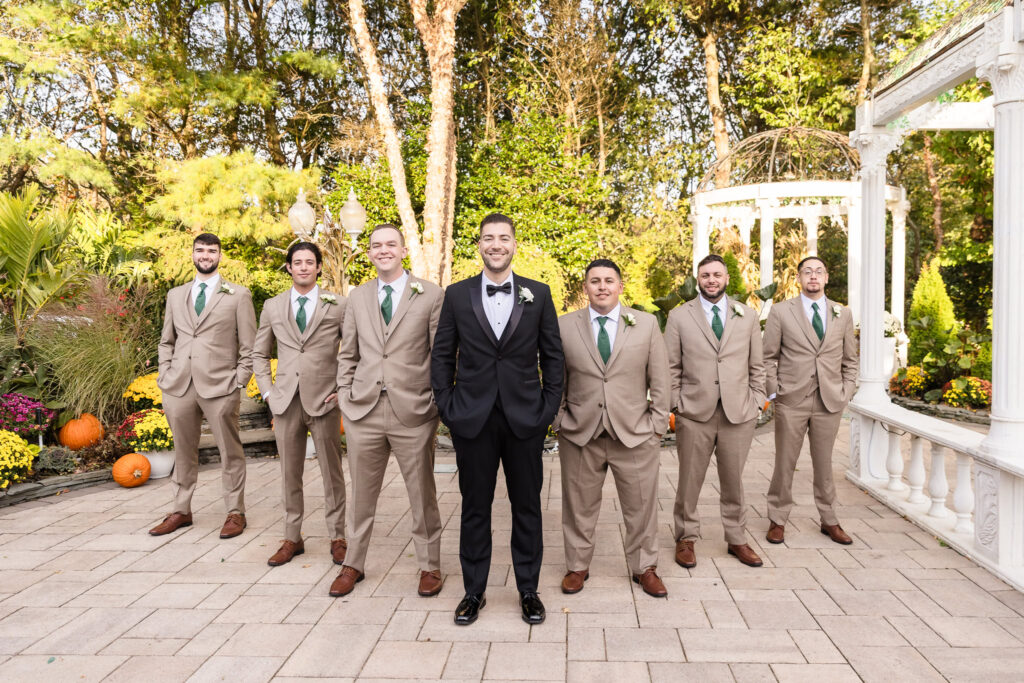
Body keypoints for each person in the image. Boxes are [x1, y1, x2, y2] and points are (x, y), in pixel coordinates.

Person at [430, 213, 563, 626]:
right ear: (479, 245)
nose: (496, 244)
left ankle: (528, 590)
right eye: (489, 238)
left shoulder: (537, 294)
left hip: (526, 418)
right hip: (473, 418)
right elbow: (441, 355)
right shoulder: (456, 295)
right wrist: (448, 406)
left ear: (514, 245)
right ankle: (474, 591)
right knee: (475, 507)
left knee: (527, 507)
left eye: (504, 238)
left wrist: (547, 409)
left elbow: (553, 356)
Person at [330, 224, 446, 598]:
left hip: (413, 410)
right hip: (364, 411)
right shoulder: (358, 297)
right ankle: (354, 563)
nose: (383, 250)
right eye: (376, 245)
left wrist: (434, 400)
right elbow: (348, 352)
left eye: (390, 245)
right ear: (369, 253)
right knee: (361, 494)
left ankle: (429, 565)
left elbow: (440, 355)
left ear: (402, 251)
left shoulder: (430, 295)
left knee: (421, 495)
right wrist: (346, 396)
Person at [553, 259, 670, 598]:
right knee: (577, 506)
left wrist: (656, 426)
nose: (601, 286)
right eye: (594, 281)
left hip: (634, 434)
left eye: (608, 280)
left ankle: (644, 567)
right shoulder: (564, 326)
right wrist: (559, 420)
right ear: (585, 288)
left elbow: (660, 379)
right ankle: (577, 566)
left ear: (621, 286)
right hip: (580, 433)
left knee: (642, 506)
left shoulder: (646, 325)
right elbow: (554, 379)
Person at [150, 233, 257, 539]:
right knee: (183, 450)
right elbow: (166, 341)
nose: (206, 255)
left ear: (219, 255)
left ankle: (235, 512)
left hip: (221, 385)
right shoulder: (175, 295)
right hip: (179, 385)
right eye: (200, 250)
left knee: (230, 450)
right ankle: (181, 510)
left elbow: (249, 344)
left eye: (211, 250)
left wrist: (239, 379)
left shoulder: (238, 295)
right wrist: (165, 375)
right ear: (193, 254)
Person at [664, 254, 767, 568]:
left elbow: (757, 366)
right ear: (698, 279)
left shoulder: (747, 316)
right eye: (705, 275)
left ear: (726, 279)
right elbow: (670, 366)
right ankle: (686, 537)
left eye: (717, 274)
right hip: (695, 412)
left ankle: (736, 538)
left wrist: (756, 400)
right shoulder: (680, 317)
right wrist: (677, 403)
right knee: (689, 479)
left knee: (733, 479)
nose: (711, 280)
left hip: (738, 413)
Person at [252, 241, 349, 567]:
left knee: (332, 473)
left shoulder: (338, 305)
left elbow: (354, 350)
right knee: (289, 473)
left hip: (324, 401)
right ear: (289, 268)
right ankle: (292, 537)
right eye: (298, 262)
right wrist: (267, 391)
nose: (304, 267)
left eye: (310, 262)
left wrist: (343, 388)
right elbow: (259, 353)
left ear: (319, 267)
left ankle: (338, 536)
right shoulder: (272, 306)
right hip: (285, 401)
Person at [763, 256, 858, 546]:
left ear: (827, 277)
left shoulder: (843, 313)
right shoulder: (781, 312)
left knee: (825, 463)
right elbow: (767, 357)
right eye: (807, 272)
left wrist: (846, 391)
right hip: (792, 400)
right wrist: (775, 391)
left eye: (818, 272)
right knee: (785, 462)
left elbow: (850, 359)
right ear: (799, 278)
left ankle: (829, 519)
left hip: (829, 401)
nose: (813, 276)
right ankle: (777, 519)